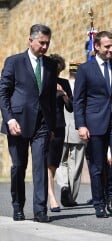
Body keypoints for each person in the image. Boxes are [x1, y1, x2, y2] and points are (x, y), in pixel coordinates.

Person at [0, 24, 57, 222]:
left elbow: (50, 98)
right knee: (18, 166)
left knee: (40, 165)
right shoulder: (14, 62)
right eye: (41, 42)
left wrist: (52, 126)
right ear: (30, 40)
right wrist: (10, 119)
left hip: (42, 124)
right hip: (18, 123)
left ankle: (40, 210)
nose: (44, 47)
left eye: (47, 43)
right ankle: (18, 206)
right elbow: (3, 93)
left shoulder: (50, 65)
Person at [73, 31, 112, 218]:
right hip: (94, 121)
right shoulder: (85, 69)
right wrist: (81, 125)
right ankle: (99, 204)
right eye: (107, 46)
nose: (111, 50)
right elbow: (78, 100)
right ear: (96, 46)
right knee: (97, 165)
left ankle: (110, 193)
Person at [56, 62, 86, 207]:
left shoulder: (61, 84)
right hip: (77, 128)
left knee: (61, 161)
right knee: (76, 164)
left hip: (61, 127)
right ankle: (71, 196)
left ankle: (63, 186)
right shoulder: (83, 86)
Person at [47, 54, 73, 212]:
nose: (56, 74)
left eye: (58, 71)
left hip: (59, 127)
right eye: (54, 71)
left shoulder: (63, 83)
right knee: (47, 163)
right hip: (45, 127)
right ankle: (51, 197)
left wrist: (63, 93)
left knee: (54, 165)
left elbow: (71, 107)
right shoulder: (43, 83)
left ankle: (47, 192)